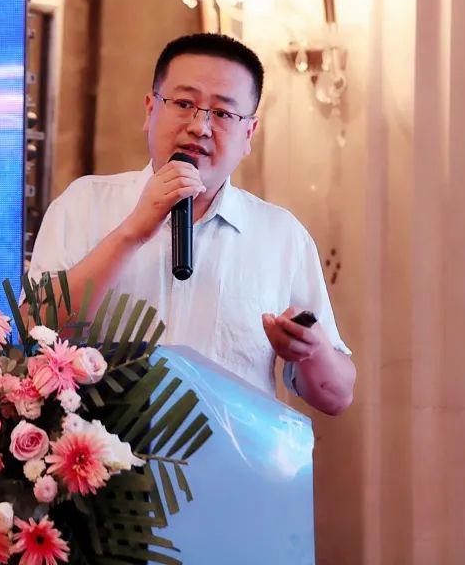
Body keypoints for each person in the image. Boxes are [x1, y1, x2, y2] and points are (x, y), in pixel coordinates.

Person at [27, 33, 355, 415]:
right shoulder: (84, 204)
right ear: (150, 109)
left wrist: (311, 350)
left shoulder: (281, 236)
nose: (201, 126)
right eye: (184, 104)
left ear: (249, 133)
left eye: (223, 113)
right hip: (96, 450)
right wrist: (131, 232)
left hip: (229, 454)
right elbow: (33, 332)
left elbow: (337, 397)